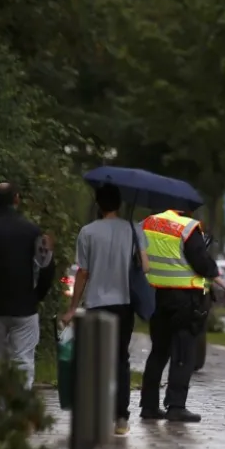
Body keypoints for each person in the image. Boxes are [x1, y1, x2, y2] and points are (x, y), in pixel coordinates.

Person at [62, 184, 148, 435]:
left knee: (95, 359)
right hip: (124, 304)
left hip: (97, 304)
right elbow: (145, 266)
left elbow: (83, 272)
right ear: (119, 204)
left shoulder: (87, 232)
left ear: (99, 204)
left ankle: (95, 413)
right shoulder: (134, 230)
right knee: (121, 358)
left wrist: (71, 308)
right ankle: (121, 418)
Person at [0, 182, 55, 389]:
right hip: (25, 306)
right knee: (23, 361)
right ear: (17, 198)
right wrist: (36, 297)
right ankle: (19, 408)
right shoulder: (33, 231)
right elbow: (46, 265)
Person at [139, 208, 220, 422]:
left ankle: (148, 405)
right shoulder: (188, 227)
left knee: (158, 352)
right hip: (185, 299)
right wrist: (214, 270)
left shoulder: (147, 223)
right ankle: (176, 405)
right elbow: (201, 263)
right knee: (183, 353)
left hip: (158, 295)